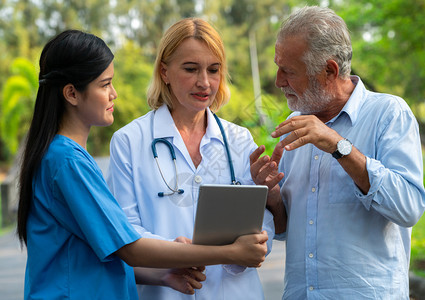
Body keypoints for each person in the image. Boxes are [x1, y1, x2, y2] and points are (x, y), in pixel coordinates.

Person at [16, 29, 269, 300]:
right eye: (105, 84)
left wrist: (160, 274)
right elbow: (130, 248)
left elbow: (99, 252)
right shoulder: (68, 162)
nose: (114, 94)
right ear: (72, 94)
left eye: (214, 69)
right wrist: (229, 252)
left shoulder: (65, 156)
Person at [250, 6, 425, 299]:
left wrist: (338, 146)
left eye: (289, 71)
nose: (279, 81)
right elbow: (287, 230)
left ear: (329, 70)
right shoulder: (297, 124)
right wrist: (271, 195)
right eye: (277, 66)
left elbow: (408, 207)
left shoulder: (388, 113)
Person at [106, 18, 275, 300]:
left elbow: (260, 228)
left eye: (214, 69)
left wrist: (251, 246)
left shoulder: (239, 140)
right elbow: (125, 230)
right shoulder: (129, 141)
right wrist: (176, 251)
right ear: (164, 72)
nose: (204, 82)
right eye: (190, 69)